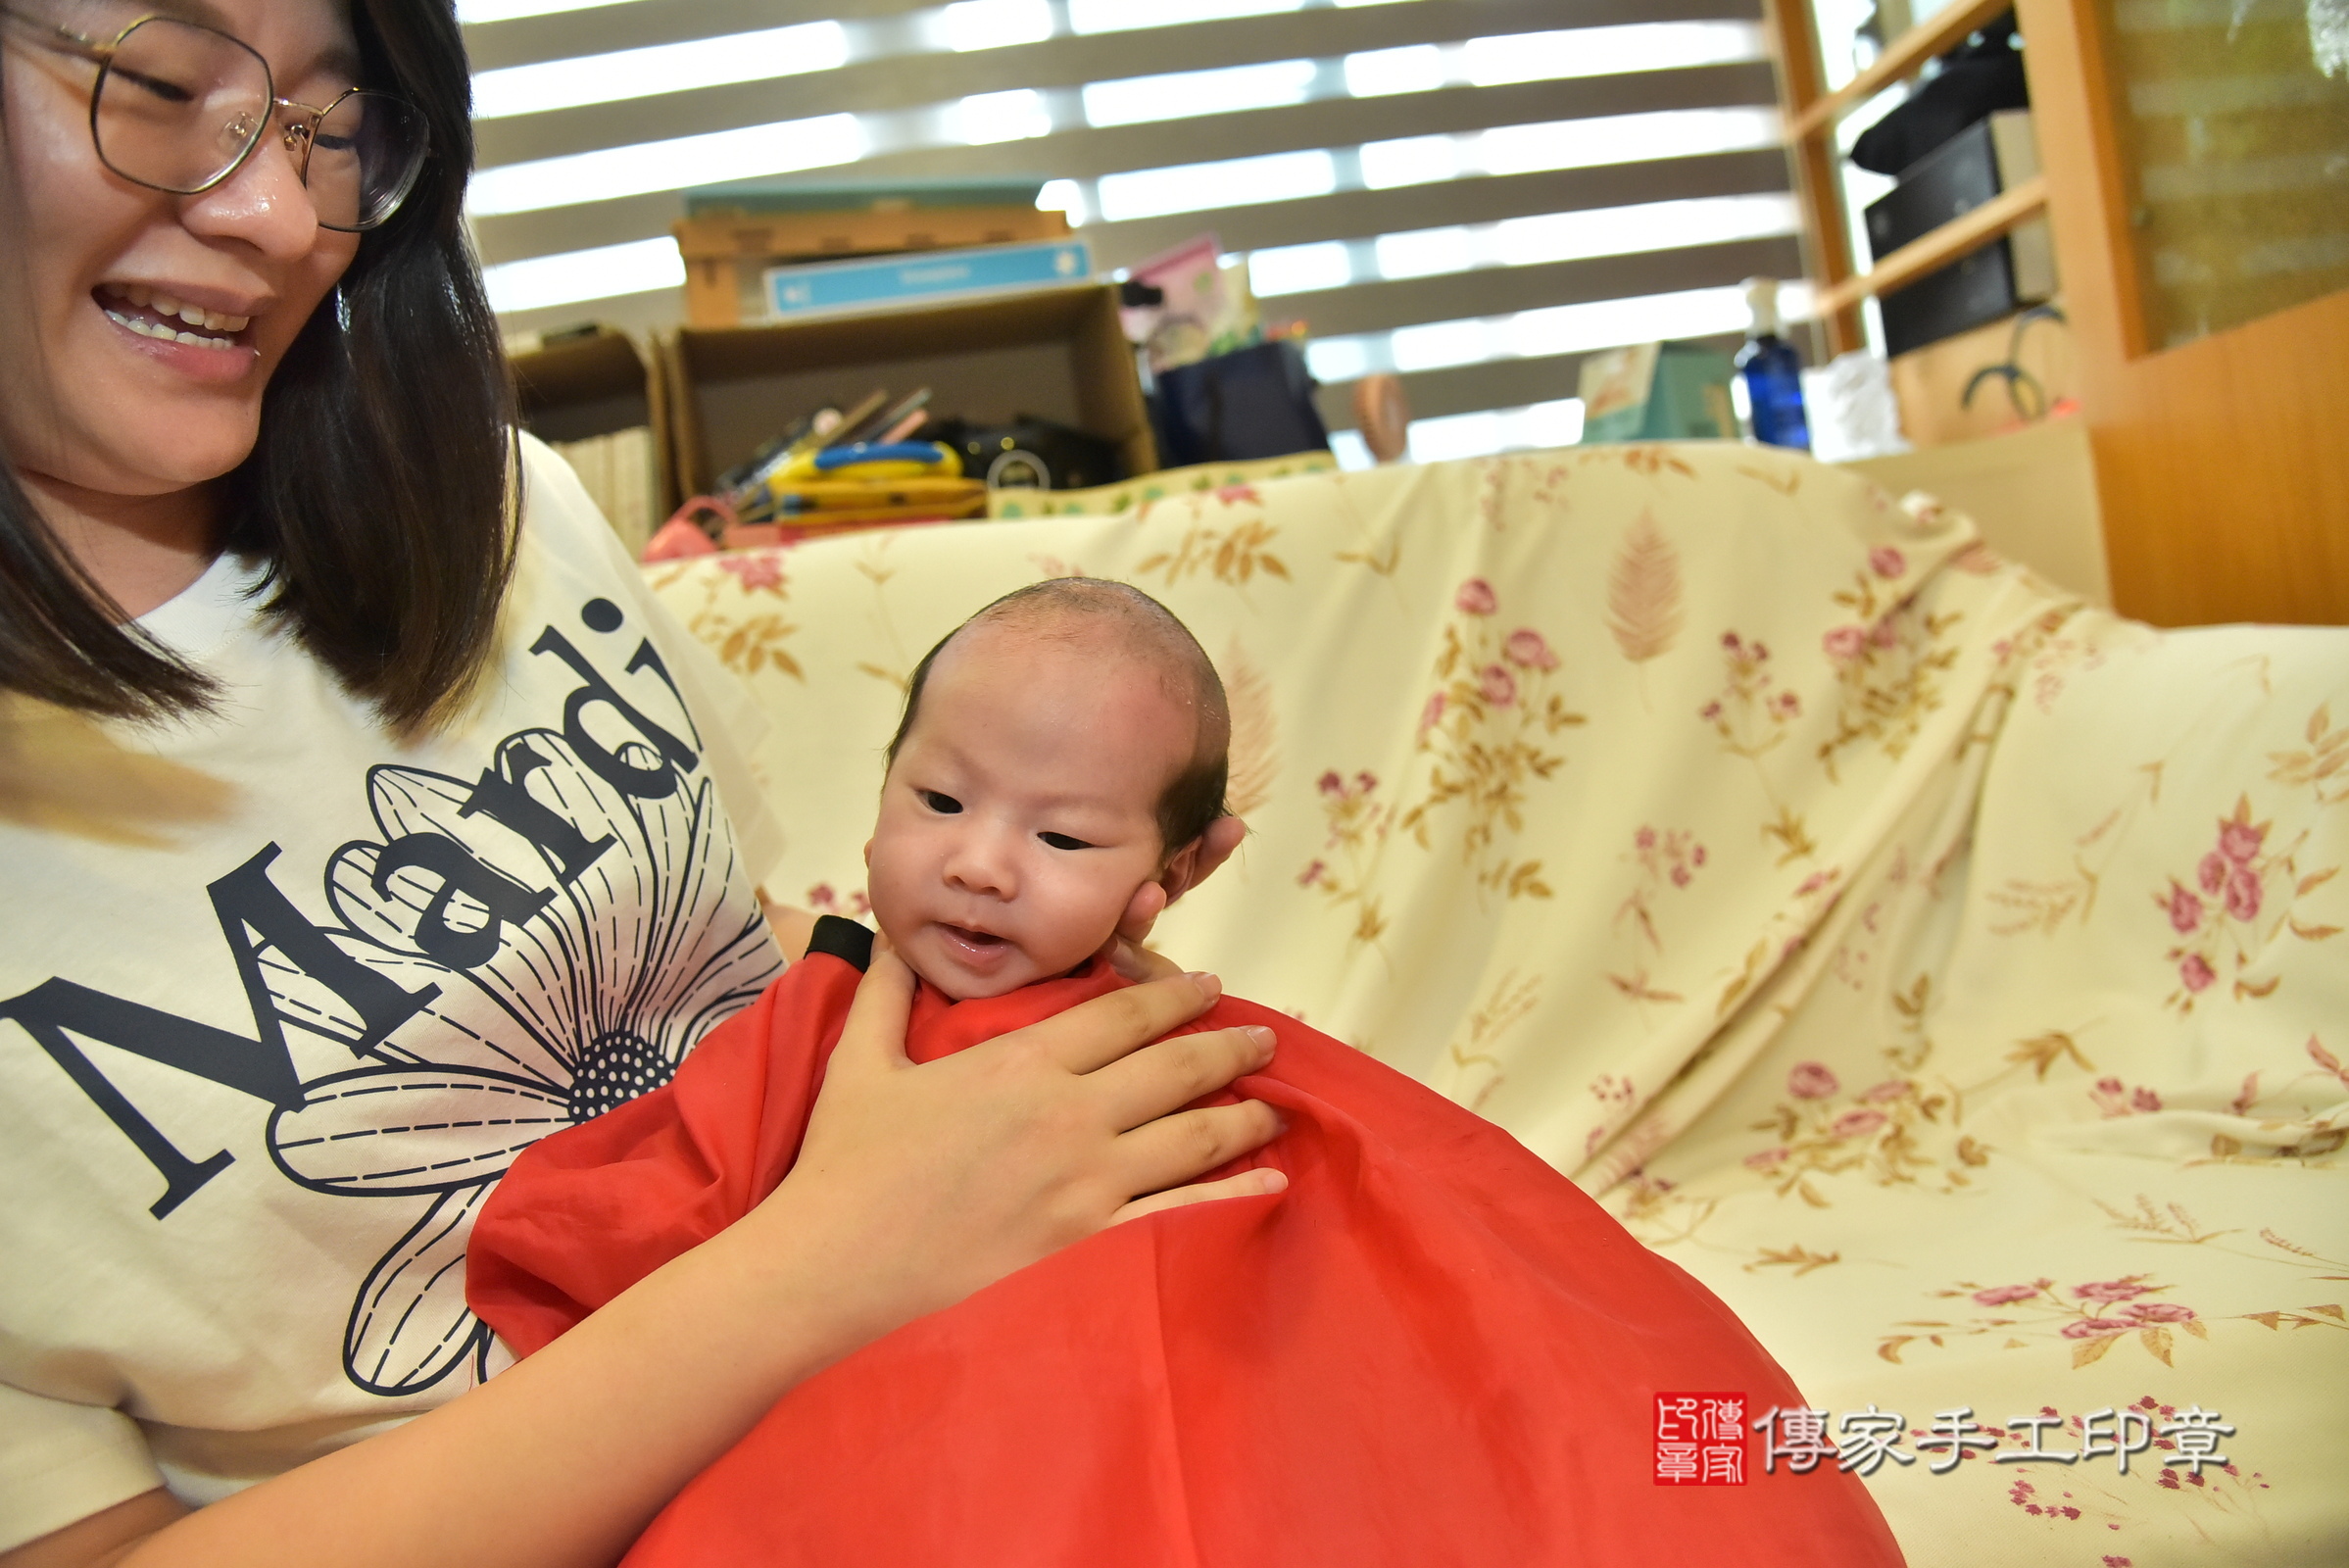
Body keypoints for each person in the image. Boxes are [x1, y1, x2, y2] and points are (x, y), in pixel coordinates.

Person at [0, 3, 1286, 1564]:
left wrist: (1026, 988)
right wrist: (823, 1272)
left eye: (334, 134)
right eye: (155, 87)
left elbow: (753, 970)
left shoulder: (496, 507)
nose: (280, 218)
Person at [467, 583, 1905, 1566]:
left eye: (1063, 839)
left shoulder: (1183, 1037)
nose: (979, 861)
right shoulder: (827, 1017)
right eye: (942, 800)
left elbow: (1370, 1199)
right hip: (943, 1406)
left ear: (1172, 873)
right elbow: (642, 1217)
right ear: (888, 777)